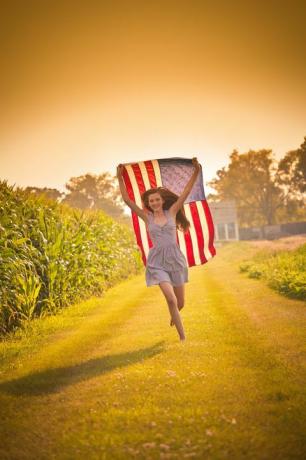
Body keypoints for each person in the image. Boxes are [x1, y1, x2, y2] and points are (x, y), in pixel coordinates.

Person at [116, 158, 201, 341]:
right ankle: (183, 338)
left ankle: (174, 315)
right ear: (148, 203)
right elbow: (127, 199)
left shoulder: (172, 212)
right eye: (151, 200)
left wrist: (196, 170)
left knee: (180, 303)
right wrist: (119, 176)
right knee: (171, 300)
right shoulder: (146, 217)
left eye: (157, 200)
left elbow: (186, 192)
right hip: (157, 262)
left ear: (162, 201)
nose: (154, 202)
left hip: (175, 260)